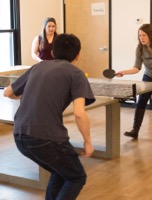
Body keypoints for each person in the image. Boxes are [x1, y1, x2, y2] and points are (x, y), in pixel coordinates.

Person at [4, 33, 96, 200]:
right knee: (76, 176)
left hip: (20, 135)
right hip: (47, 139)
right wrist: (88, 142)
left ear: (52, 52)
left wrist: (29, 94)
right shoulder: (76, 74)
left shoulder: (37, 67)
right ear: (77, 55)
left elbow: (8, 92)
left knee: (60, 172)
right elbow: (79, 113)